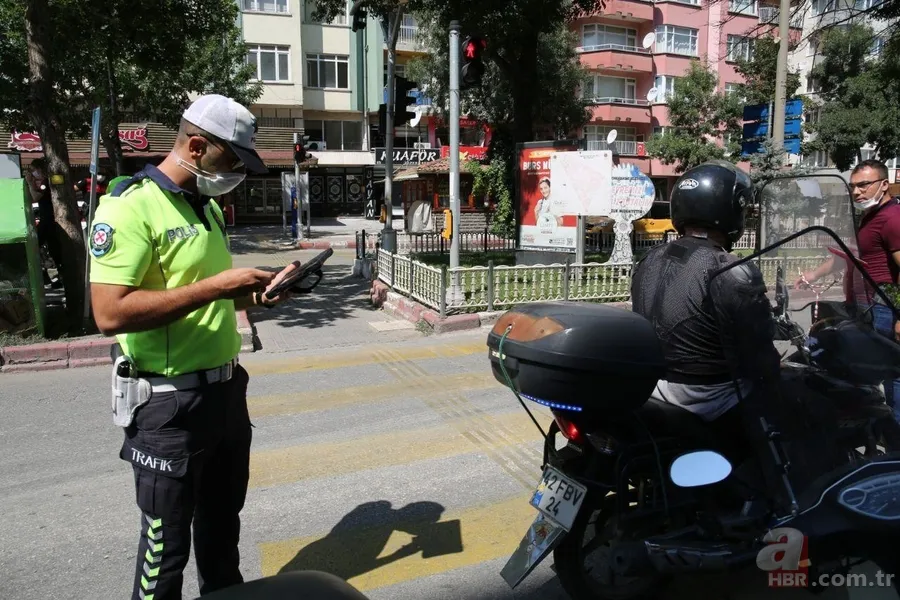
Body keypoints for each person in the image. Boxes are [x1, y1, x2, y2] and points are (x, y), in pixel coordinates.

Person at [88, 94, 298, 600]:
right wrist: (217, 288)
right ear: (197, 146)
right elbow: (109, 313)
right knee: (165, 557)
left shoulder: (205, 207)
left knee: (223, 539)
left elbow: (207, 296)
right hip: (169, 408)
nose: (236, 175)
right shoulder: (129, 206)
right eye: (231, 161)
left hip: (224, 396)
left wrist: (258, 294)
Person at [630, 161, 781, 458]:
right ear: (729, 210)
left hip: (654, 388)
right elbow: (760, 355)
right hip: (707, 396)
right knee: (796, 399)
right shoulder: (729, 269)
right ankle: (779, 494)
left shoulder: (649, 260)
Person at [798, 159, 900, 413]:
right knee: (866, 368)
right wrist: (813, 274)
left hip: (883, 305)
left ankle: (896, 441)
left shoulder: (892, 219)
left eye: (864, 185)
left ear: (884, 184)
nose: (856, 192)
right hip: (865, 306)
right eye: (853, 186)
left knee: (893, 373)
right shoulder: (868, 218)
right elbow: (846, 254)